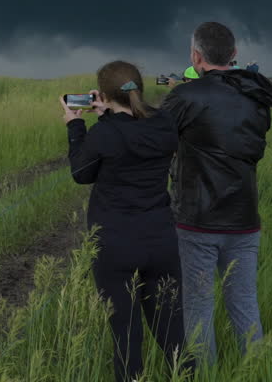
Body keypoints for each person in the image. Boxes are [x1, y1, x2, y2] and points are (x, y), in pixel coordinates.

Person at [161, 22, 272, 364]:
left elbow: (154, 140)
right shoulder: (257, 97)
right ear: (234, 55)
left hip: (196, 220)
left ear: (195, 56)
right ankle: (257, 371)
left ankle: (205, 374)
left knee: (198, 307)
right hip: (244, 218)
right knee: (244, 304)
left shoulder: (185, 97)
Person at [65, 61, 193, 382]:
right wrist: (108, 111)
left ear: (104, 95)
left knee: (126, 335)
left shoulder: (104, 134)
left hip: (115, 244)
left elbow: (82, 173)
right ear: (139, 89)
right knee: (172, 332)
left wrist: (75, 124)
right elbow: (137, 127)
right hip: (161, 240)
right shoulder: (164, 124)